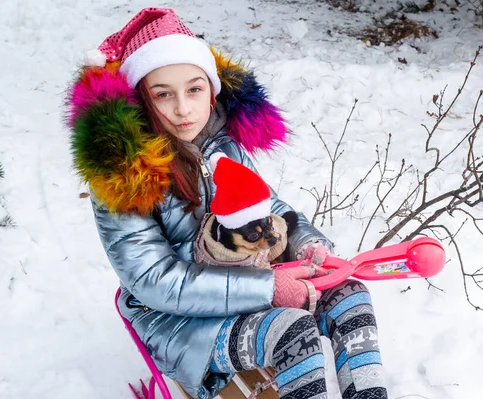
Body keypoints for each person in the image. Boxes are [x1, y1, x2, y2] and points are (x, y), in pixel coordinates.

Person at [66, 7, 388, 399]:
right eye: (163, 95)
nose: (183, 109)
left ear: (212, 89)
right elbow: (154, 281)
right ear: (141, 101)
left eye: (194, 89)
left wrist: (305, 243)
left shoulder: (225, 145)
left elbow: (270, 209)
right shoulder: (123, 177)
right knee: (291, 330)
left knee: (349, 295)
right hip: (176, 319)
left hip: (248, 275)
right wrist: (269, 288)